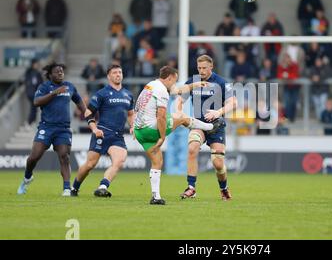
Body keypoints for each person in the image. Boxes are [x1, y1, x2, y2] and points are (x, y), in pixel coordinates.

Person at [134, 66, 224, 204]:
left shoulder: (150, 86)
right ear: (169, 78)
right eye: (174, 81)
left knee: (157, 162)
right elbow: (161, 117)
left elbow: (140, 106)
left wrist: (195, 85)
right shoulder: (162, 91)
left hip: (139, 131)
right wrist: (162, 137)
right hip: (152, 129)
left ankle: (156, 197)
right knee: (181, 117)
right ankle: (211, 127)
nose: (174, 85)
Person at [17, 63, 86, 196]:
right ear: (50, 75)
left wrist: (87, 113)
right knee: (34, 157)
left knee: (64, 156)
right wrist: (54, 93)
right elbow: (36, 102)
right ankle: (27, 177)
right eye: (57, 72)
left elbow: (78, 101)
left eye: (62, 71)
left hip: (63, 129)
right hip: (46, 127)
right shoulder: (44, 87)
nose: (60, 73)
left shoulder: (69, 86)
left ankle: (66, 188)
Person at [179, 55, 238, 201]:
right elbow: (180, 98)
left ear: (211, 67)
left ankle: (224, 188)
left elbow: (233, 103)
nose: (201, 71)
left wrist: (218, 112)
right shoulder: (193, 81)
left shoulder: (221, 82)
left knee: (218, 163)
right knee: (192, 148)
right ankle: (191, 188)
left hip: (216, 126)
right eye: (199, 68)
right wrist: (179, 111)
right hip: (198, 124)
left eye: (204, 68)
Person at [71, 64, 134, 197]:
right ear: (108, 76)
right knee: (90, 165)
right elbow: (88, 112)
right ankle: (74, 187)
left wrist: (132, 126)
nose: (118, 75)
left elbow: (130, 114)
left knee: (119, 161)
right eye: (115, 72)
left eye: (120, 72)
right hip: (102, 133)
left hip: (118, 136)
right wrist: (94, 128)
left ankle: (103, 186)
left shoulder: (128, 94)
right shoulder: (102, 93)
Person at [24, 59, 43, 127]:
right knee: (33, 108)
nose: (37, 65)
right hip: (31, 93)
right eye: (36, 64)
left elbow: (40, 83)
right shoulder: (29, 72)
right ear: (33, 64)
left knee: (34, 108)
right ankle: (29, 122)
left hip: (35, 93)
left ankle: (32, 122)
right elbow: (28, 82)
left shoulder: (37, 73)